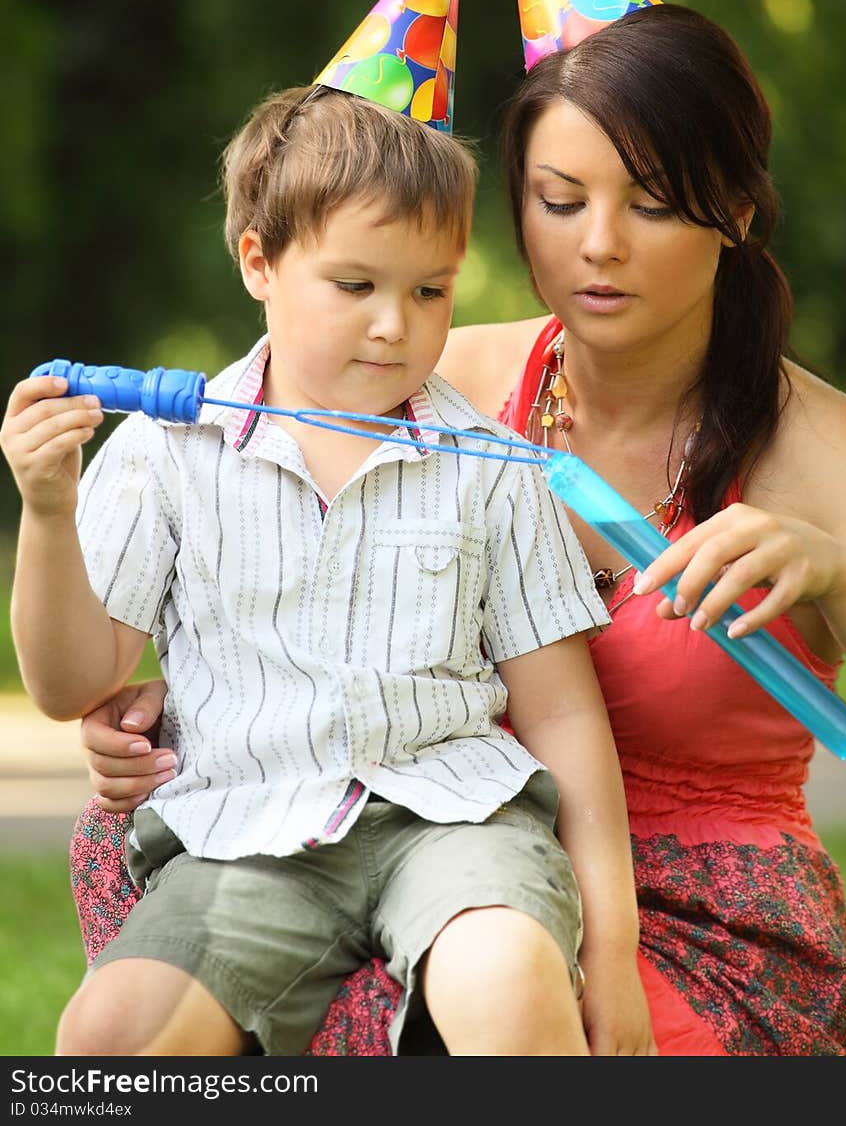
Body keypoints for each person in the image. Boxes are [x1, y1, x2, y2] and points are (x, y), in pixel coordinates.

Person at [77, 0, 846, 1056]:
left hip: (696, 909)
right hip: (414, 843)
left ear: (733, 209)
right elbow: (273, 542)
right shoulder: (434, 382)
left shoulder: (825, 445)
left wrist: (839, 575)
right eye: (558, 200)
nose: (596, 245)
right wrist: (154, 715)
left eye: (649, 204)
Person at [1, 75, 657, 1057]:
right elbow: (71, 683)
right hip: (245, 836)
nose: (395, 324)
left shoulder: (491, 466)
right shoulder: (163, 456)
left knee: (508, 982)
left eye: (429, 289)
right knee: (110, 1036)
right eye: (356, 285)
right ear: (258, 261)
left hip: (456, 824)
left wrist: (610, 954)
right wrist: (48, 510)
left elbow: (562, 710)